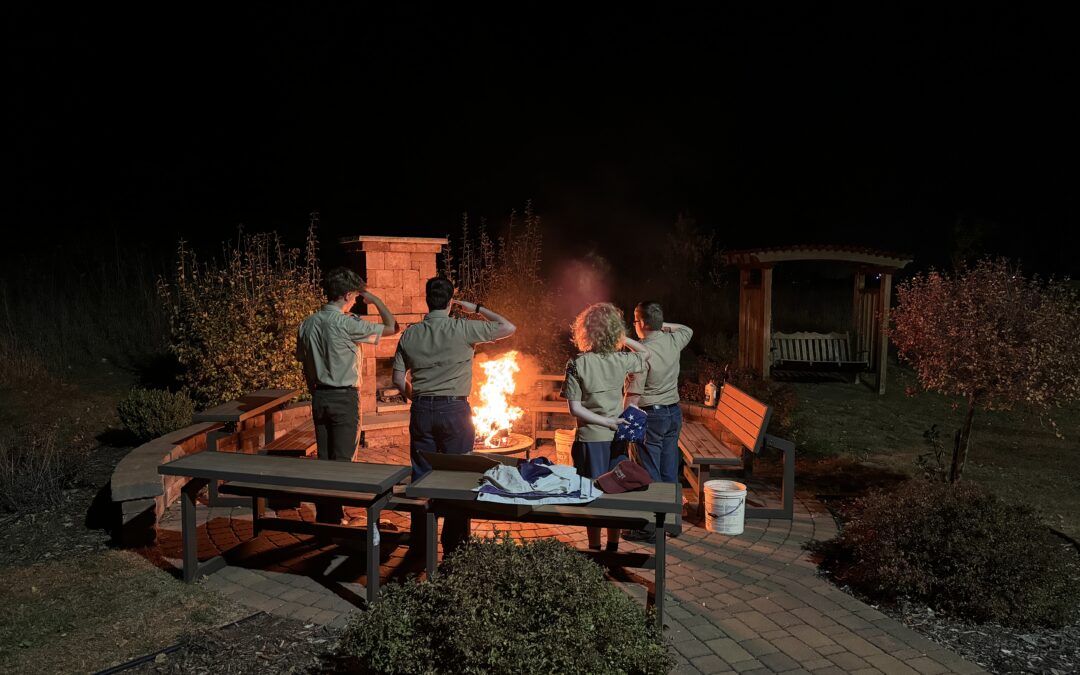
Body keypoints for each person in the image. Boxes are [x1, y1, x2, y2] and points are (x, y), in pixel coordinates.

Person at [392, 277, 516, 552]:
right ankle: (455, 544)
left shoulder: (410, 334)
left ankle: (421, 542)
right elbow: (509, 327)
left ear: (427, 300)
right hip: (455, 411)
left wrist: (417, 397)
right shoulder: (463, 328)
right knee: (458, 476)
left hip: (422, 409)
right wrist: (477, 307)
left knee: (421, 475)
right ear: (450, 302)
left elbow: (398, 380)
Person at [296, 267, 398, 524]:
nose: (355, 301)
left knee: (324, 461)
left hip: (319, 397)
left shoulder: (307, 324)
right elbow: (392, 327)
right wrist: (375, 300)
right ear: (346, 294)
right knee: (343, 464)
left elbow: (304, 363)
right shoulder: (345, 323)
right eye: (354, 296)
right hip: (344, 399)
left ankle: (327, 516)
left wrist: (314, 390)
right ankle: (336, 523)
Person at [561, 302, 651, 552]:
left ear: (585, 331)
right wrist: (625, 339)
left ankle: (595, 549)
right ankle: (613, 547)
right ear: (614, 331)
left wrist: (603, 422)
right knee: (615, 492)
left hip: (590, 439)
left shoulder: (577, 364)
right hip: (617, 436)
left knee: (592, 494)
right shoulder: (621, 360)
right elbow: (645, 354)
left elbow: (575, 409)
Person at [623, 301, 693, 543]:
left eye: (636, 321)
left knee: (649, 472)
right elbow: (687, 329)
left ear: (642, 323)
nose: (635, 326)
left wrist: (625, 424)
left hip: (651, 416)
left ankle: (651, 529)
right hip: (673, 414)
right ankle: (672, 524)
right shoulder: (673, 340)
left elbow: (633, 395)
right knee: (669, 470)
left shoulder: (642, 352)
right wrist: (661, 325)